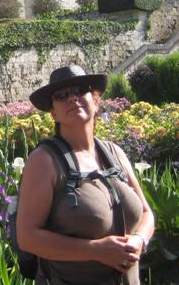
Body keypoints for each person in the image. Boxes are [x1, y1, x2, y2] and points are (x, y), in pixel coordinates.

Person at [17, 65, 155, 285]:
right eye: (61, 96)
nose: (73, 98)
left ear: (96, 100)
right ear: (53, 112)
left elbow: (147, 213)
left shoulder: (114, 154)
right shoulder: (44, 161)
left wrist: (139, 240)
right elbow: (28, 237)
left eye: (81, 90)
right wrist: (95, 250)